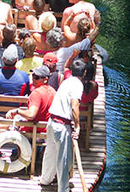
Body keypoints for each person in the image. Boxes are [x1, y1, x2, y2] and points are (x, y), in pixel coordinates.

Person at [40, 59, 88, 191]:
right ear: (84, 72)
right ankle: (63, 189)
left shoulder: (66, 82)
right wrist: (77, 126)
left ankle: (45, 179)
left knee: (50, 152)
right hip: (61, 125)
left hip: (51, 122)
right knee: (63, 159)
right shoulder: (78, 85)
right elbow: (74, 106)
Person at [5, 66, 54, 133]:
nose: (33, 79)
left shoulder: (36, 93)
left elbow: (31, 115)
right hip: (47, 130)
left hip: (33, 131)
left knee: (5, 127)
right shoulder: (53, 91)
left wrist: (17, 111)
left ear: (45, 79)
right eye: (33, 76)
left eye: (36, 77)